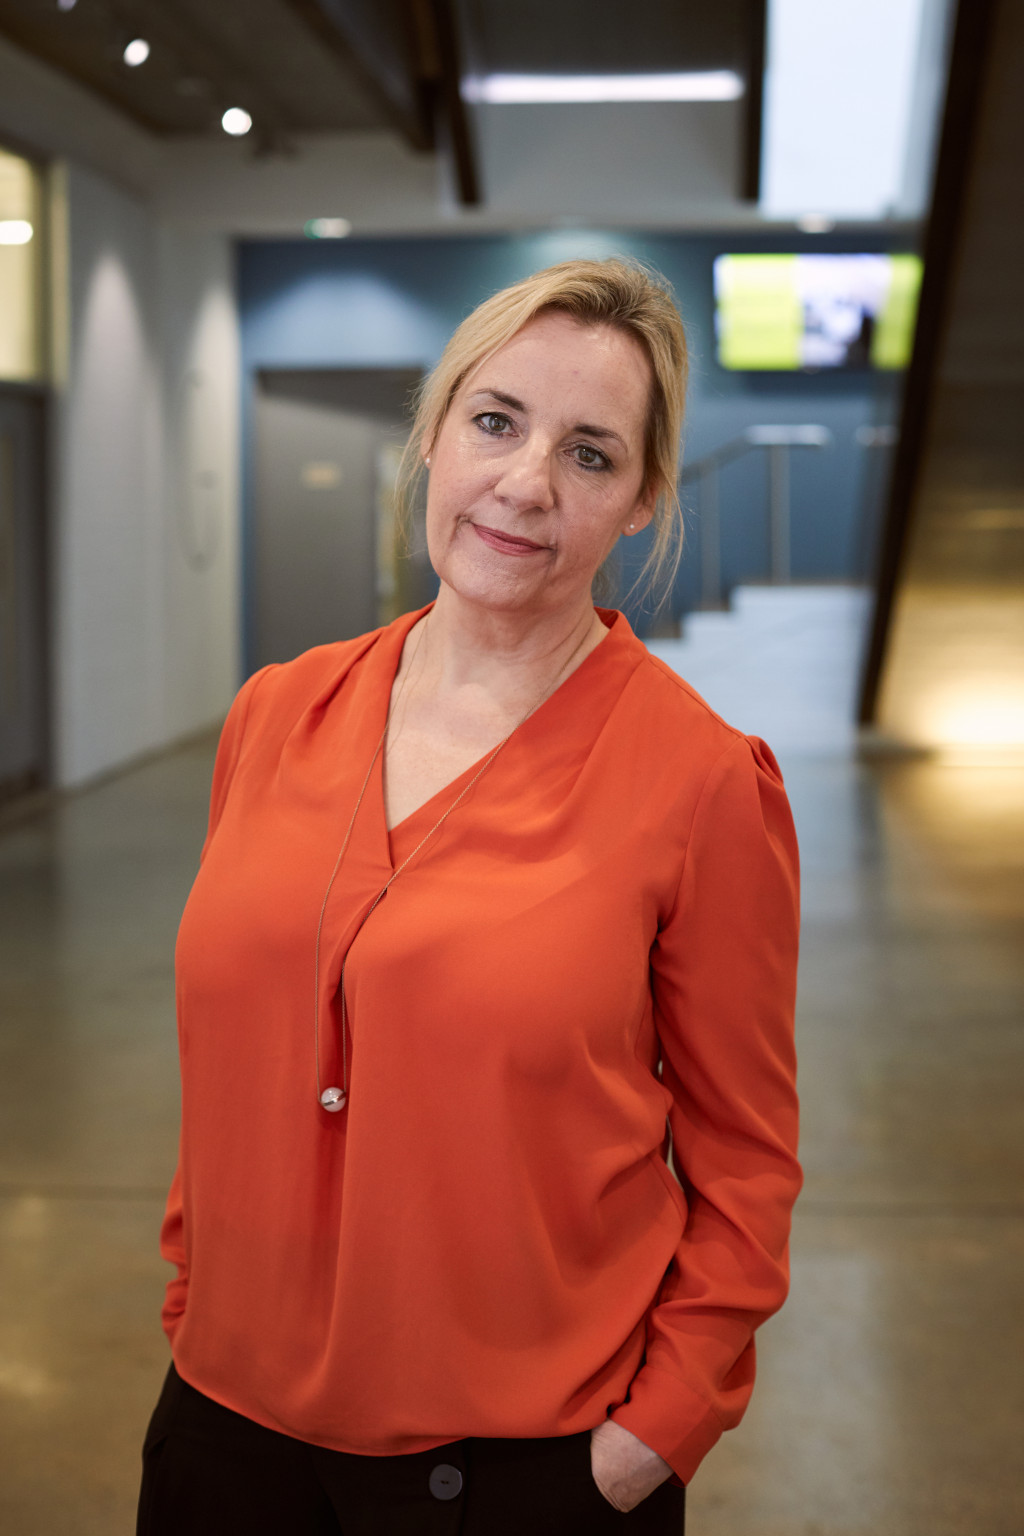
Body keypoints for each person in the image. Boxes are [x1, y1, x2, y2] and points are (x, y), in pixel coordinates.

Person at [138, 257, 801, 1535]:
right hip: (222, 1431)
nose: (525, 484)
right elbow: (232, 1047)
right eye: (495, 421)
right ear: (433, 434)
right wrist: (193, 1293)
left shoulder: (701, 782)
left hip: (518, 1472)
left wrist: (648, 1439)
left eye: (591, 454)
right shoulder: (280, 711)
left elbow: (745, 1161)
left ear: (642, 502)